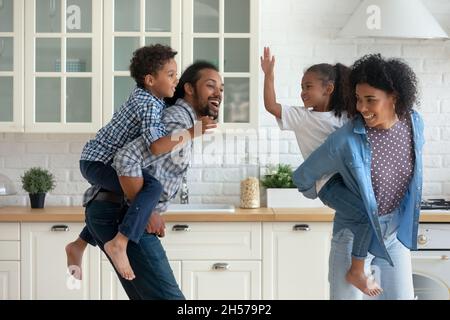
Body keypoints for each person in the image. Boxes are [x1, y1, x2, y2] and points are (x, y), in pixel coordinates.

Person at [65, 45, 215, 281]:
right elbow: (156, 146)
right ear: (150, 80)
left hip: (96, 159)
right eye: (170, 75)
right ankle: (120, 243)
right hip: (99, 163)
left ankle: (79, 244)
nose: (176, 80)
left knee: (131, 192)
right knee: (151, 188)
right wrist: (192, 132)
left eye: (176, 74)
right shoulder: (149, 105)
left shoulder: (149, 98)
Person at [293, 54, 424, 300]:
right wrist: (328, 191)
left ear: (394, 98)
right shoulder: (345, 140)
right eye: (358, 99)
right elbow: (303, 177)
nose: (361, 108)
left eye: (370, 100)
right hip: (352, 239)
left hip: (393, 237)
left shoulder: (413, 124)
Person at [261, 47, 382, 296]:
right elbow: (272, 106)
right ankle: (357, 270)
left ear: (328, 89)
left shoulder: (346, 117)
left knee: (371, 214)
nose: (302, 92)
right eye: (302, 86)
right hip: (326, 184)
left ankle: (360, 266)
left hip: (350, 181)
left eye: (308, 86)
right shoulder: (301, 117)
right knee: (367, 215)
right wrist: (269, 74)